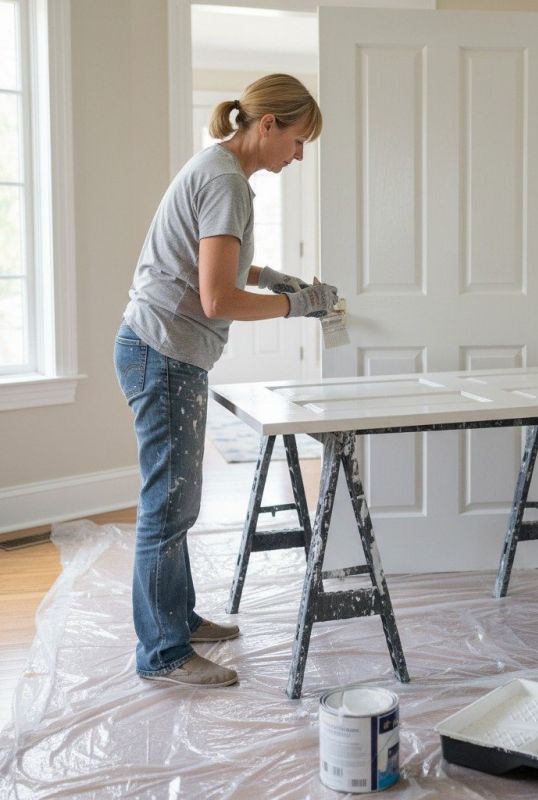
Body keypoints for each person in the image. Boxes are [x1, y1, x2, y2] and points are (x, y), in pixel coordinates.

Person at [113, 74, 337, 687]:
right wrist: (302, 307)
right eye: (297, 141)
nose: (298, 156)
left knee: (177, 500)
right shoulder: (226, 181)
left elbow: (214, 258)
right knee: (169, 505)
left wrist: (275, 280)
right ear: (268, 126)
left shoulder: (219, 169)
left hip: (162, 349)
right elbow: (216, 297)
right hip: (163, 352)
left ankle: (177, 621)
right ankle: (162, 654)